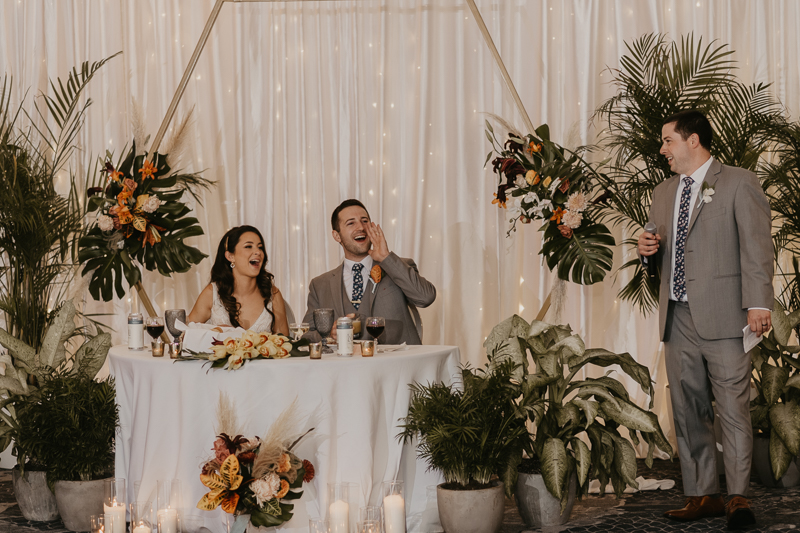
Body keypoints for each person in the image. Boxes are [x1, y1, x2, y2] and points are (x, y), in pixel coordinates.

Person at [638, 110, 773, 530]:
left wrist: (758, 303)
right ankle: (702, 495)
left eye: (667, 141)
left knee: (732, 408)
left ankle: (737, 497)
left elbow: (756, 245)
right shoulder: (662, 192)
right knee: (687, 408)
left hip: (727, 314)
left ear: (693, 140)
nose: (662, 149)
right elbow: (660, 248)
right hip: (677, 314)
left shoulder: (738, 181)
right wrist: (646, 249)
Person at [302, 199, 436, 344]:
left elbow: (426, 297)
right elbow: (306, 336)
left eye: (365, 221)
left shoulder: (398, 266)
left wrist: (386, 258)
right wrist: (329, 335)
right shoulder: (320, 285)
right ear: (337, 235)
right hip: (345, 365)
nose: (361, 227)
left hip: (397, 363)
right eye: (351, 223)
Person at [188, 225, 290, 335]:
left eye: (260, 247)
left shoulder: (273, 295)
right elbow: (187, 336)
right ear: (230, 256)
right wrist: (214, 332)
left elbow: (285, 344)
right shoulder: (211, 293)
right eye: (248, 246)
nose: (258, 252)